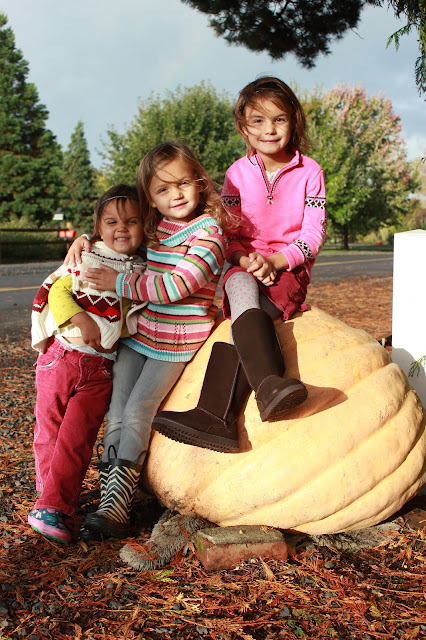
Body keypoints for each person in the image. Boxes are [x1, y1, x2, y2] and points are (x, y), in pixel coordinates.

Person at [65, 141, 233, 540]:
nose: (175, 194)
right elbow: (118, 239)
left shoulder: (209, 236)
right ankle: (110, 497)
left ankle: (117, 508)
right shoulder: (156, 230)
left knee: (140, 409)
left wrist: (119, 282)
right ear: (151, 199)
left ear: (199, 182)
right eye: (162, 189)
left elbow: (177, 286)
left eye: (183, 183)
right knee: (117, 410)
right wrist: (85, 239)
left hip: (176, 342)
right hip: (139, 333)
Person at [152, 76, 327, 451]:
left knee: (252, 315)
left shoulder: (310, 172)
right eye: (258, 121)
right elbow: (229, 232)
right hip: (244, 263)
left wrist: (276, 261)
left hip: (288, 269)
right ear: (243, 127)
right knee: (239, 285)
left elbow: (313, 235)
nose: (269, 129)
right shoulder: (237, 174)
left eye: (279, 119)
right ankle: (267, 385)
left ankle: (217, 415)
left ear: (293, 121)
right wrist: (244, 258)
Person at [29, 184, 145, 544]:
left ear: (145, 226)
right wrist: (81, 320)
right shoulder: (89, 255)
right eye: (111, 222)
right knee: (49, 432)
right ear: (97, 228)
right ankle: (51, 500)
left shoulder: (142, 269)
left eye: (131, 221)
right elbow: (58, 290)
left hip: (101, 369)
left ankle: (52, 504)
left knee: (77, 439)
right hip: (61, 357)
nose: (121, 228)